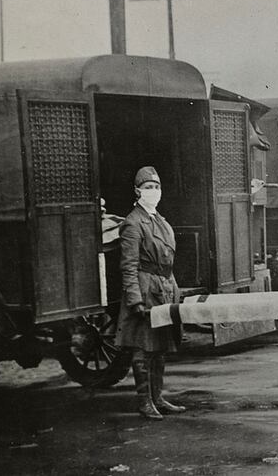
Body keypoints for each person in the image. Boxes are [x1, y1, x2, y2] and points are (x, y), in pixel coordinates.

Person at [116, 166, 186, 420]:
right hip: (145, 289)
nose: (153, 192)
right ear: (137, 191)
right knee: (143, 347)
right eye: (148, 187)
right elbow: (129, 266)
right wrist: (135, 299)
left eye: (156, 187)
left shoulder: (161, 221)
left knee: (160, 346)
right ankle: (144, 401)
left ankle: (157, 397)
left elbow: (168, 261)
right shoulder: (133, 223)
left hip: (163, 287)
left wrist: (174, 291)